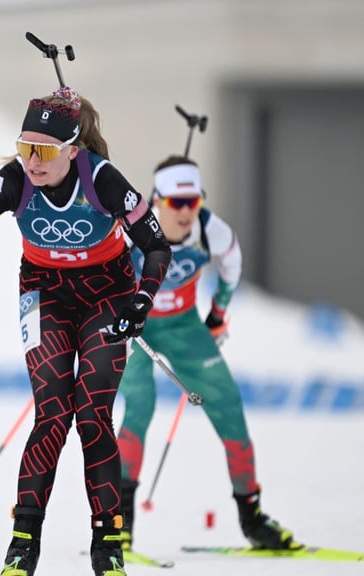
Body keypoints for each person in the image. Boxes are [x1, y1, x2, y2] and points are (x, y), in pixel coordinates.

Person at [0, 85, 171, 576]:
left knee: (92, 415)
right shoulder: (15, 179)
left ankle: (107, 544)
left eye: (44, 151)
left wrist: (142, 300)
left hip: (107, 294)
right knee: (52, 415)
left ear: (72, 150)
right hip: (44, 293)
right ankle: (23, 544)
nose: (32, 161)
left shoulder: (102, 179)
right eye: (25, 147)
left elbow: (157, 245)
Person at [116, 156, 296, 551]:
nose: (186, 212)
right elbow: (100, 270)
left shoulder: (210, 230)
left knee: (229, 404)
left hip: (184, 326)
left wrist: (218, 314)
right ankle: (119, 522)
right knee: (139, 406)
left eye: (193, 201)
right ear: (157, 199)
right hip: (139, 327)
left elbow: (233, 262)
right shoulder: (131, 227)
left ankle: (253, 519)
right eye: (176, 202)